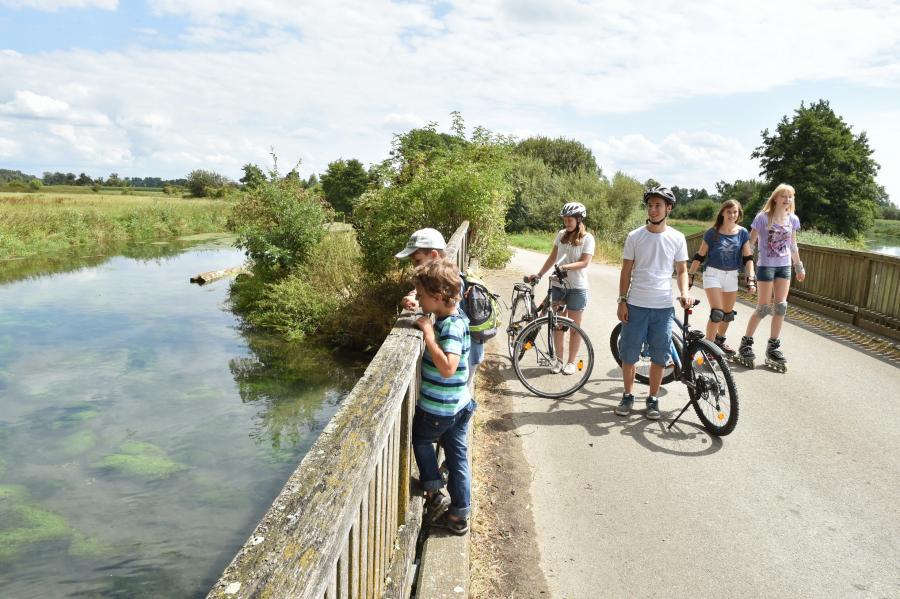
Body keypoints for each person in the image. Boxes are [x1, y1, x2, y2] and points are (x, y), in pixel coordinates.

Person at [615, 186, 694, 419]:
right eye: (650, 205)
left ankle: (652, 399)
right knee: (629, 355)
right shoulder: (635, 236)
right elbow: (626, 271)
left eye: (658, 205)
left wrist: (684, 291)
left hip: (663, 307)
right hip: (637, 303)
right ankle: (628, 395)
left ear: (668, 208)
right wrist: (622, 300)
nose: (653, 209)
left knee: (659, 356)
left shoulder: (677, 237)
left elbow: (681, 270)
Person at [410, 257, 475, 535]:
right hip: (459, 404)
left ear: (438, 297)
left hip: (440, 407)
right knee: (458, 458)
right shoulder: (457, 316)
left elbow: (447, 367)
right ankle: (459, 515)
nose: (421, 301)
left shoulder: (450, 327)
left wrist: (427, 332)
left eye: (422, 297)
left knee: (421, 439)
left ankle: (434, 490)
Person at [396, 228, 485, 385]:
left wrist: (429, 332)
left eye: (417, 261)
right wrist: (416, 297)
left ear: (434, 256)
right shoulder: (444, 278)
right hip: (456, 354)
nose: (414, 267)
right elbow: (434, 296)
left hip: (465, 358)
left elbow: (449, 369)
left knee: (460, 393)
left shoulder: (453, 285)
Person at [736, 184, 806, 371]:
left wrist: (799, 266)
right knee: (763, 308)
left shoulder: (793, 219)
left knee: (781, 307)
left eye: (790, 197)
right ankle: (746, 344)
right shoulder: (762, 218)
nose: (787, 199)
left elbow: (793, 245)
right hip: (766, 266)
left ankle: (773, 347)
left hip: (785, 267)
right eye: (783, 196)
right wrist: (746, 267)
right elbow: (749, 243)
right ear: (775, 198)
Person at [528, 202, 595, 374]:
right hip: (558, 286)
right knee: (557, 325)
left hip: (577, 288)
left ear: (579, 220)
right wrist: (540, 274)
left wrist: (565, 268)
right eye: (565, 220)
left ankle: (571, 363)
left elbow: (585, 262)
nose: (567, 223)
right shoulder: (561, 235)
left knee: (574, 327)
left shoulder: (588, 239)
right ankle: (558, 360)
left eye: (570, 220)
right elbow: (552, 258)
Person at [687, 199, 756, 357]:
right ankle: (708, 349)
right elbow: (700, 255)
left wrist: (750, 277)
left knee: (727, 315)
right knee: (717, 313)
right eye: (729, 212)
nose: (732, 215)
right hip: (712, 274)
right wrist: (690, 275)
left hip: (731, 275)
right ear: (723, 213)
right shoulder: (713, 232)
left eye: (735, 212)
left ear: (739, 214)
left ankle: (719, 340)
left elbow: (748, 258)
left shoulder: (743, 232)